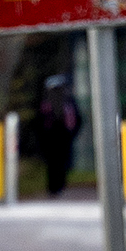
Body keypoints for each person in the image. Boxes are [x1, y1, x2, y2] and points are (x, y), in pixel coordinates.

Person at [36, 70, 83, 198]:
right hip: (51, 137)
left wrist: (72, 133)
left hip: (63, 136)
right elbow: (39, 122)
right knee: (53, 163)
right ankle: (54, 188)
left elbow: (78, 119)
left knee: (61, 162)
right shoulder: (46, 103)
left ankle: (58, 187)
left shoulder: (67, 102)